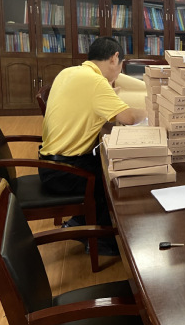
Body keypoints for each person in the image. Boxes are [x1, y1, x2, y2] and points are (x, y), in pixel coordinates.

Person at [39, 36, 147, 255]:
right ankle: (103, 242)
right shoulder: (95, 82)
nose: (119, 72)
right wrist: (152, 111)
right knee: (116, 175)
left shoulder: (69, 72)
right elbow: (128, 117)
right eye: (121, 66)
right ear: (115, 58)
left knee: (105, 160)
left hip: (49, 164)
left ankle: (80, 222)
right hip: (65, 173)